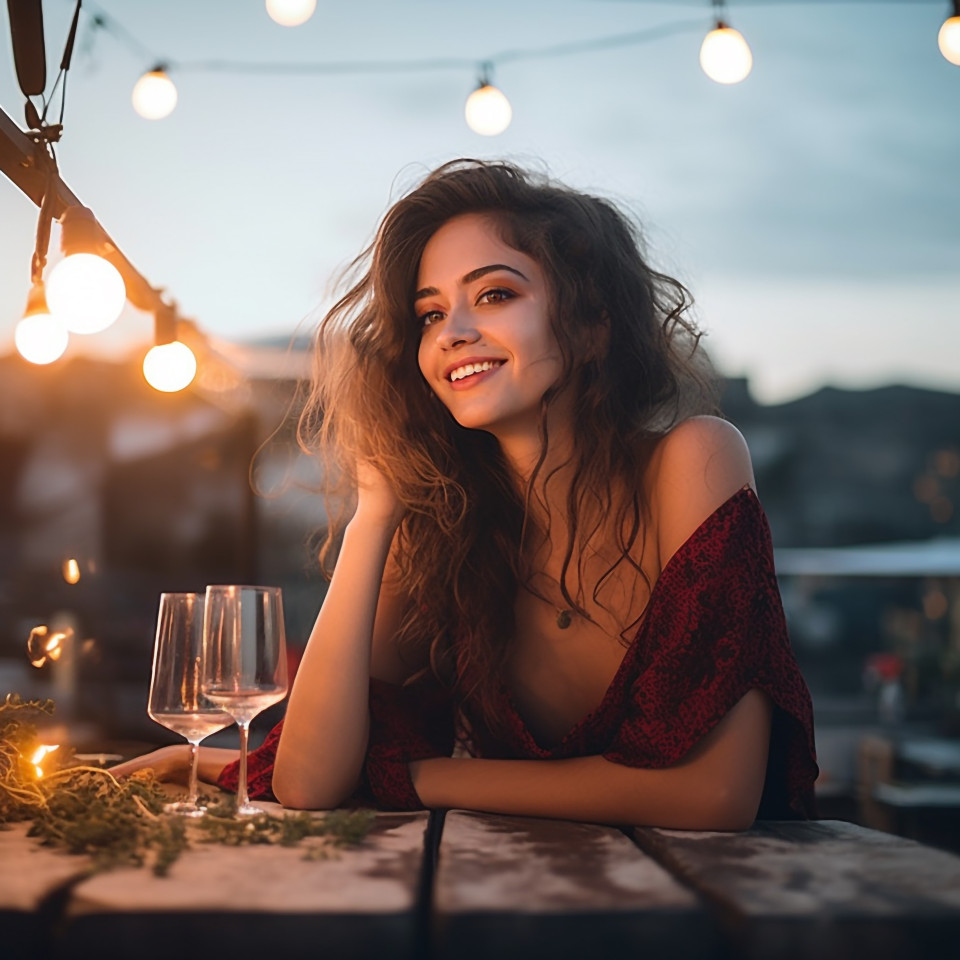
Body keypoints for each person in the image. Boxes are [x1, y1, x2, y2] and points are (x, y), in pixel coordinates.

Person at [111, 159, 819, 828]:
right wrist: (375, 512)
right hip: (510, 903)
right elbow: (308, 783)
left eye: (496, 295)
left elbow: (716, 794)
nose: (452, 332)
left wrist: (411, 778)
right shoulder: (443, 528)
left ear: (592, 325)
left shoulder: (693, 461)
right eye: (427, 314)